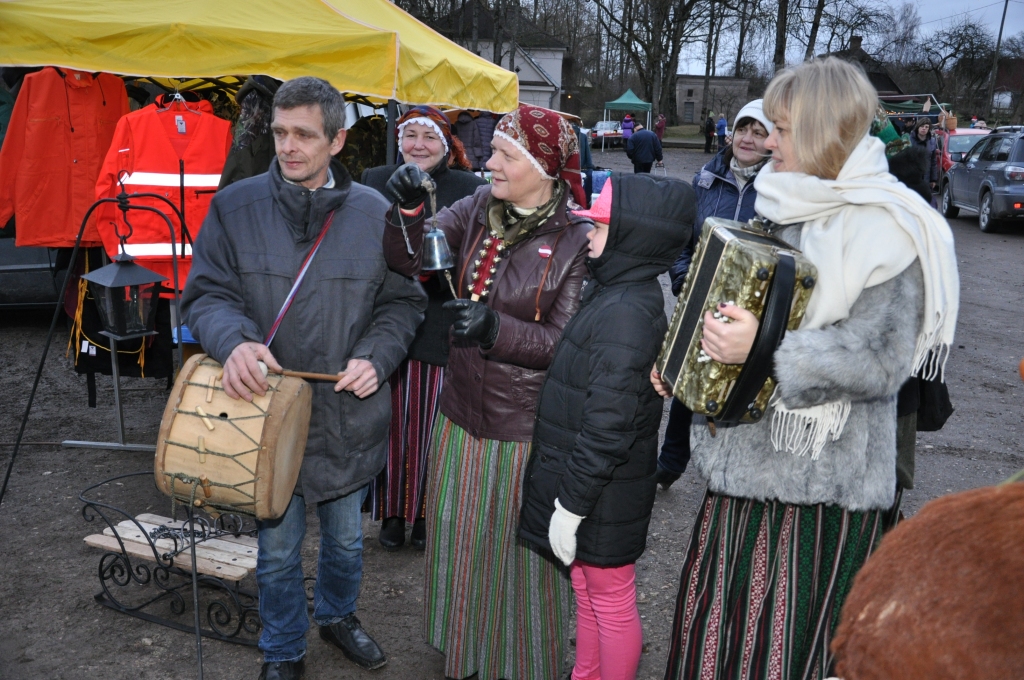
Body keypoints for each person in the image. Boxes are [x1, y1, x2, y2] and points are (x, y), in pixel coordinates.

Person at [653, 57, 959, 679]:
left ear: (822, 130)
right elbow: (747, 309)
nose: (768, 141)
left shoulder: (894, 226)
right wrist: (686, 363)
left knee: (788, 651)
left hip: (823, 493)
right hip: (741, 468)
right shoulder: (777, 200)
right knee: (716, 637)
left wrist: (763, 354)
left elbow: (881, 359)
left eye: (784, 129)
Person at [181, 77, 427, 680]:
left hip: (348, 416)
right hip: (264, 417)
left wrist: (377, 356)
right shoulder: (234, 206)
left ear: (338, 139)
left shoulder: (377, 215)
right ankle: (283, 648)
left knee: (345, 542)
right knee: (278, 548)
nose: (288, 147)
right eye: (280, 133)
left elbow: (404, 304)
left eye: (304, 135)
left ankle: (339, 616)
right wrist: (233, 341)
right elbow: (207, 295)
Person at [383, 104, 591, 680]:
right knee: (461, 543)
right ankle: (467, 654)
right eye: (492, 150)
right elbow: (410, 257)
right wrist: (406, 208)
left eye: (504, 154)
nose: (486, 161)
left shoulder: (576, 239)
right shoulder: (478, 205)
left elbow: (564, 342)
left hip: (520, 430)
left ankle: (520, 662)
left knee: (517, 560)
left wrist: (498, 330)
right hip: (458, 418)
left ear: (544, 166)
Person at [519, 174, 695, 680]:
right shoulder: (614, 292)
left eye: (598, 226)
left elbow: (608, 426)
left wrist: (572, 504)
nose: (588, 235)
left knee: (611, 596)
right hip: (595, 486)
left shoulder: (627, 314)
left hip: (601, 492)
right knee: (587, 587)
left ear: (630, 236)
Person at [361, 106, 486, 551]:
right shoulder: (376, 180)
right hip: (387, 320)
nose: (418, 145)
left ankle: (427, 512)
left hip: (439, 323)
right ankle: (391, 511)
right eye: (409, 135)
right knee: (389, 425)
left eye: (428, 137)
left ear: (447, 145)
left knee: (432, 425)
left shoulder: (469, 188)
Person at [659, 99, 774, 491]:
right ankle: (670, 464)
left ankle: (727, 477)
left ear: (772, 139)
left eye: (759, 132)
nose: (748, 138)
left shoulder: (781, 189)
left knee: (738, 392)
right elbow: (682, 241)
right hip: (702, 303)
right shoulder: (707, 178)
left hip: (750, 316)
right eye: (744, 129)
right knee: (688, 385)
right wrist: (682, 282)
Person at [908, 116, 939, 199]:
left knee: (925, 200)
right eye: (922, 126)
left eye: (926, 127)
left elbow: (933, 161)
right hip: (912, 176)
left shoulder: (932, 141)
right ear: (918, 127)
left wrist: (933, 179)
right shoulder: (909, 140)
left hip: (926, 176)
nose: (924, 129)